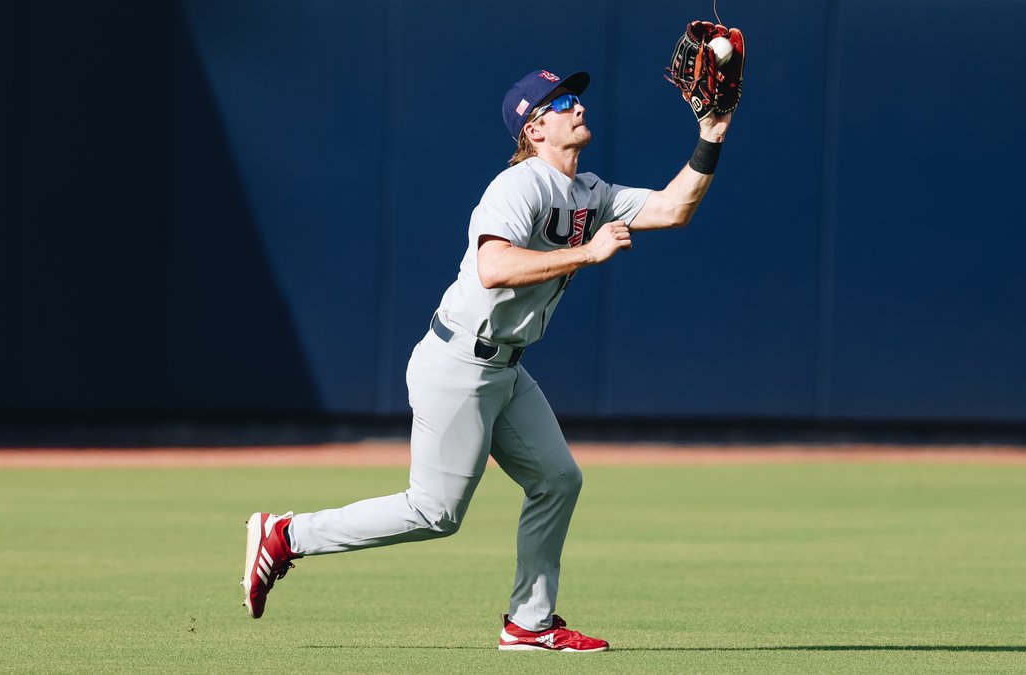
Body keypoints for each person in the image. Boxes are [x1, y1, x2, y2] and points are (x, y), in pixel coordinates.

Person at [242, 67, 735, 652]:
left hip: (504, 367)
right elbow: (493, 267)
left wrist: (712, 132)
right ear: (535, 126)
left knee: (557, 479)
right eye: (564, 102)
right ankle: (287, 535)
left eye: (577, 98)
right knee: (434, 513)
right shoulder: (519, 186)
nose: (579, 108)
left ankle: (529, 622)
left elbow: (674, 208)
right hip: (458, 363)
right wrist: (588, 252)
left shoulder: (590, 193)